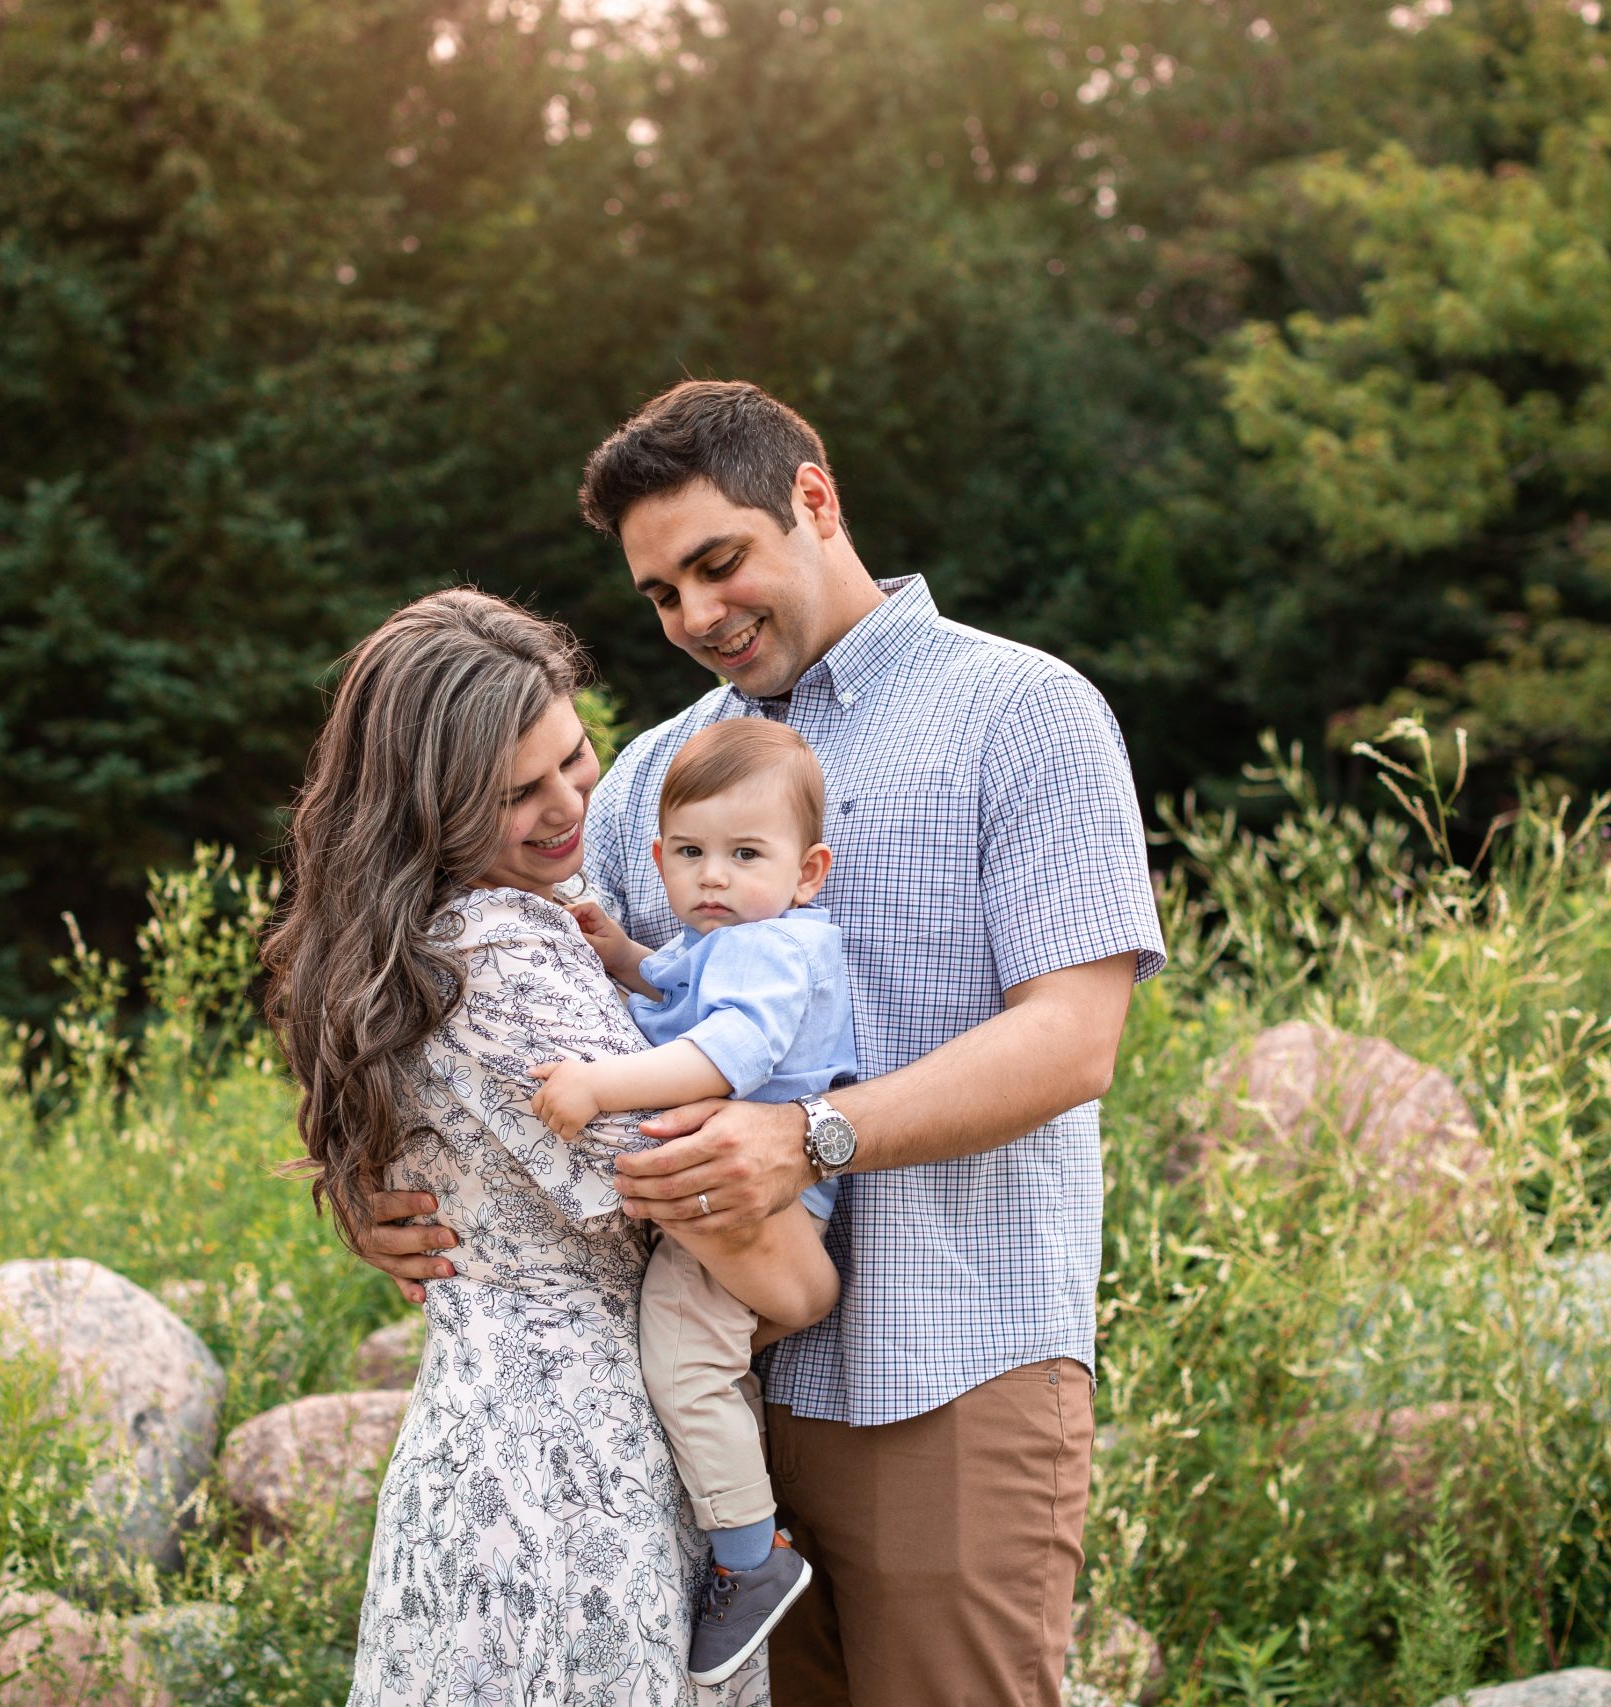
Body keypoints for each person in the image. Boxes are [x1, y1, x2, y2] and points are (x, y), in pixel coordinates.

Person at [353, 381, 1164, 1707]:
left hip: (946, 1368)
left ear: (814, 497)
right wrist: (386, 1200)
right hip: (696, 1400)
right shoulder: (639, 784)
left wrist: (809, 1134)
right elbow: (485, 1011)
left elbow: (1074, 1040)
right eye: (661, 593)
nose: (695, 615)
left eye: (717, 562)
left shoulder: (1024, 712)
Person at [264, 588, 836, 1705]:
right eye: (516, 794)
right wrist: (807, 1270)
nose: (568, 804)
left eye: (574, 757)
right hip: (571, 1477)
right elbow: (717, 1216)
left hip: (504, 1449)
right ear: (423, 810)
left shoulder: (429, 935)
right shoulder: (500, 949)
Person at [528, 716, 857, 1686]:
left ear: (806, 873)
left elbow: (724, 1058)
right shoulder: (727, 939)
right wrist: (620, 948)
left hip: (761, 1206)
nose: (712, 877)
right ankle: (744, 1536)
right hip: (732, 1201)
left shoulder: (774, 953)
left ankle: (750, 1560)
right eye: (690, 854)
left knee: (682, 1359)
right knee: (702, 1359)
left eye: (743, 854)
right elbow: (661, 983)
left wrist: (595, 1086)